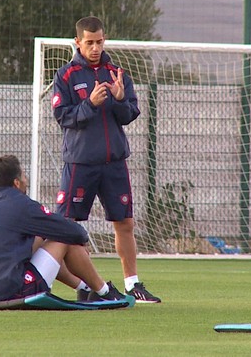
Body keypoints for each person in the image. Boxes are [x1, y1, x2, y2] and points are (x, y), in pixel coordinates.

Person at [51, 16, 161, 303]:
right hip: (80, 163)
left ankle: (132, 284)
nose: (95, 47)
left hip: (114, 164)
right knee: (67, 227)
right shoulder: (65, 76)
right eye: (89, 42)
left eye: (99, 41)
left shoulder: (117, 73)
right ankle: (85, 287)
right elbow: (63, 117)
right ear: (78, 43)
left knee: (124, 223)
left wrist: (121, 99)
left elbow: (130, 115)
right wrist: (91, 104)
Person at [0, 155, 126, 303]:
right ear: (16, 182)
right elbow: (71, 231)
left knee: (40, 237)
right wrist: (83, 239)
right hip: (13, 292)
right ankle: (103, 291)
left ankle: (85, 288)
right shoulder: (20, 204)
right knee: (64, 238)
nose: (26, 180)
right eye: (24, 175)